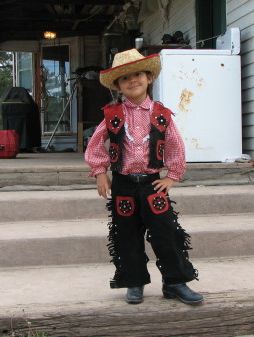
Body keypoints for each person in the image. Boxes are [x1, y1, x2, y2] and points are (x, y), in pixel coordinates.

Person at [85, 48, 203, 305]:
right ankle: (134, 281)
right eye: (125, 78)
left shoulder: (162, 114)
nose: (132, 81)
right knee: (125, 233)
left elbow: (175, 145)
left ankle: (174, 282)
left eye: (137, 74)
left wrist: (172, 175)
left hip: (153, 185)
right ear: (118, 86)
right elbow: (95, 144)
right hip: (123, 185)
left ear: (149, 77)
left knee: (166, 231)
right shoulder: (112, 115)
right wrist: (100, 172)